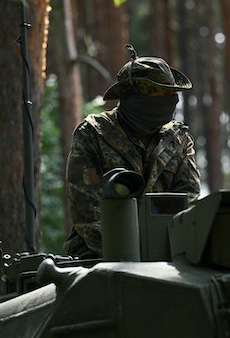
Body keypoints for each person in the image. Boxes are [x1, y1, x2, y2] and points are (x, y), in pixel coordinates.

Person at [64, 44, 201, 259]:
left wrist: (170, 252)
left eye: (171, 94)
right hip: (99, 259)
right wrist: (132, 256)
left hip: (167, 257)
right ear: (134, 97)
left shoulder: (178, 140)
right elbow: (87, 213)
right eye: (159, 94)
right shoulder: (93, 134)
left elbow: (188, 204)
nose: (169, 101)